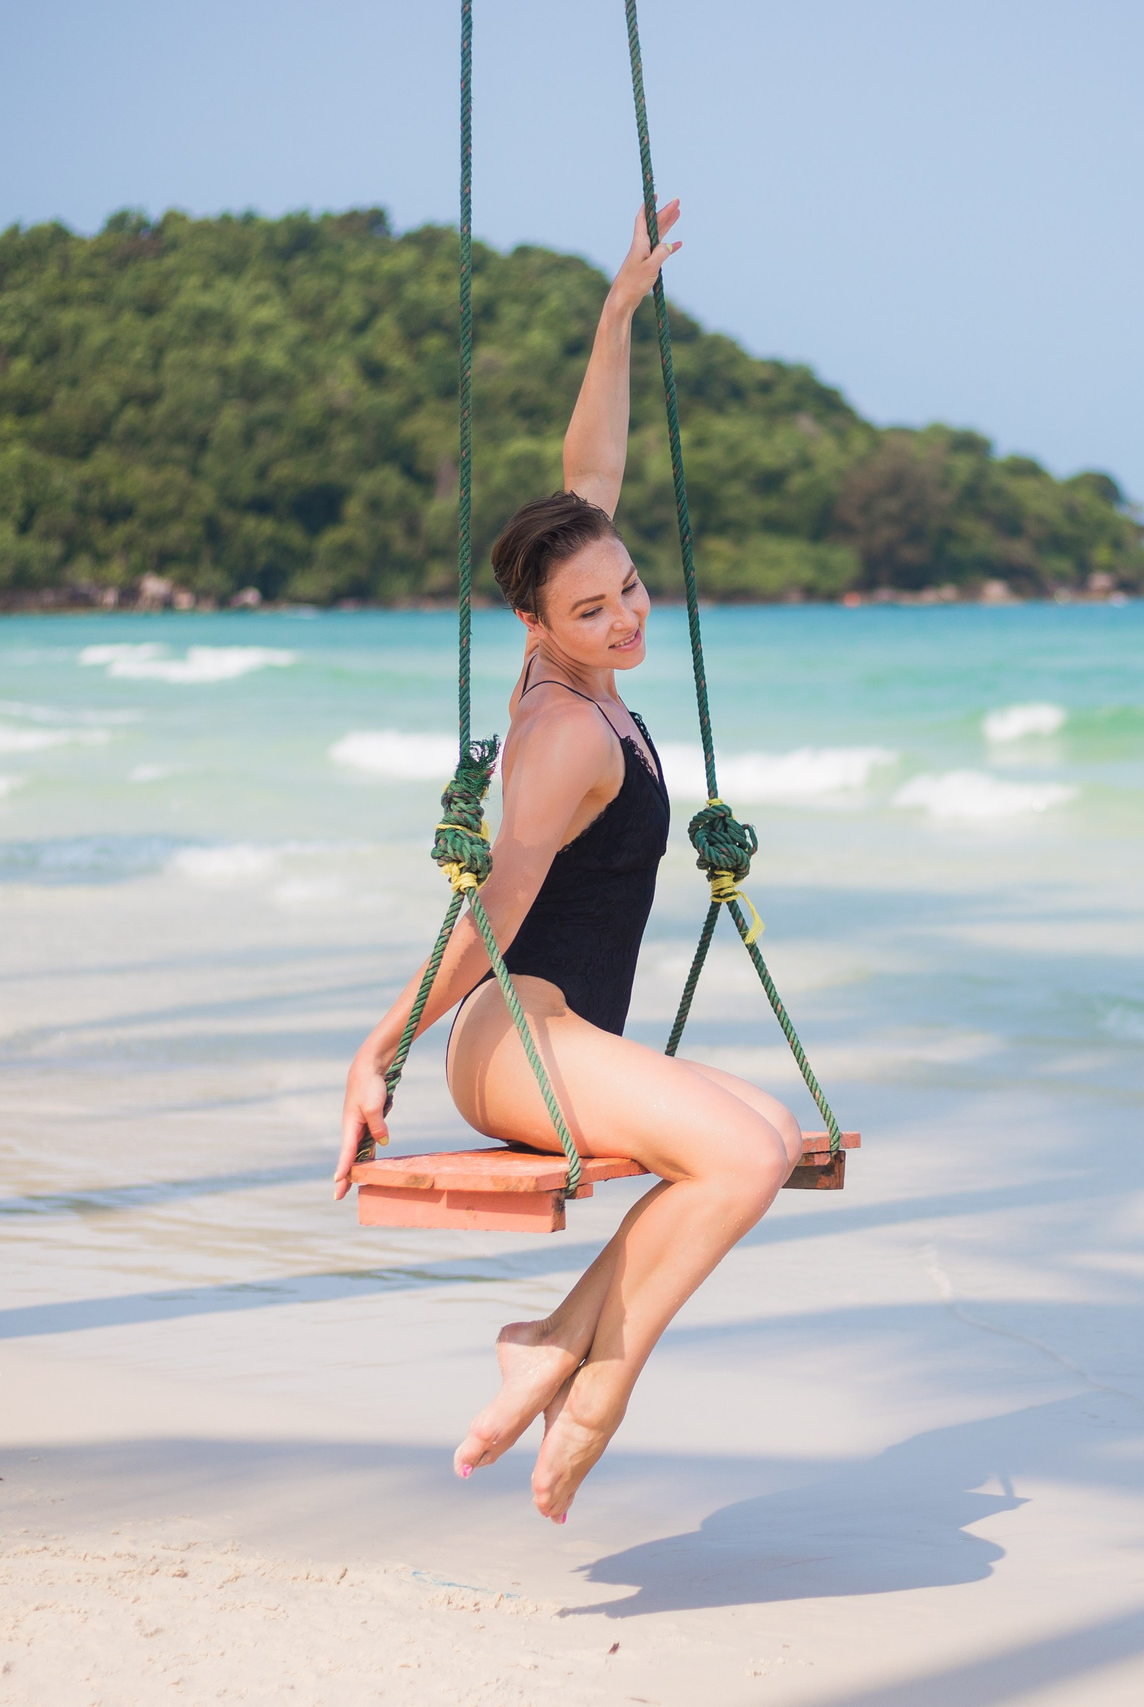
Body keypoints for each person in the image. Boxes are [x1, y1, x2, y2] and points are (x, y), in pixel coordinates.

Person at [331, 200, 805, 1524]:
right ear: (535, 625)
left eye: (632, 588)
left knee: (762, 1132)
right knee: (742, 1160)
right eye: (593, 609)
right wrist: (379, 1047)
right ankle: (596, 1385)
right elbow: (494, 910)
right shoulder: (559, 732)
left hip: (551, 1033)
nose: (626, 616)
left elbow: (588, 472)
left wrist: (616, 314)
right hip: (511, 1035)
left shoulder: (576, 646)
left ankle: (547, 1346)